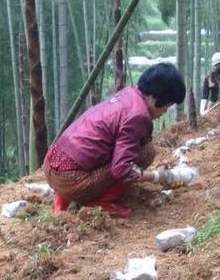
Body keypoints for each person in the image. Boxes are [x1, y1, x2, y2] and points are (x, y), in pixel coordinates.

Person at [44, 62, 186, 217]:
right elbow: (122, 169)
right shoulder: (138, 115)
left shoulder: (129, 94)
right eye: (167, 105)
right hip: (71, 179)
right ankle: (99, 201)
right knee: (145, 153)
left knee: (139, 148)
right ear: (154, 98)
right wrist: (158, 176)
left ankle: (64, 195)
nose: (165, 111)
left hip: (53, 164)